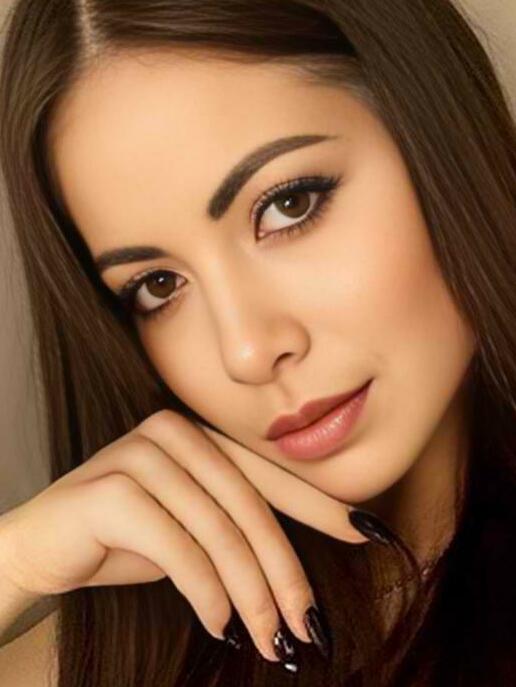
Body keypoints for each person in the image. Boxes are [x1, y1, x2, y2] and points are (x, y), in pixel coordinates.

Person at [0, 0, 514, 685]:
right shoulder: (122, 659)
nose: (244, 351)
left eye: (288, 204)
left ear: (439, 133)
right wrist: (14, 564)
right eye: (157, 285)